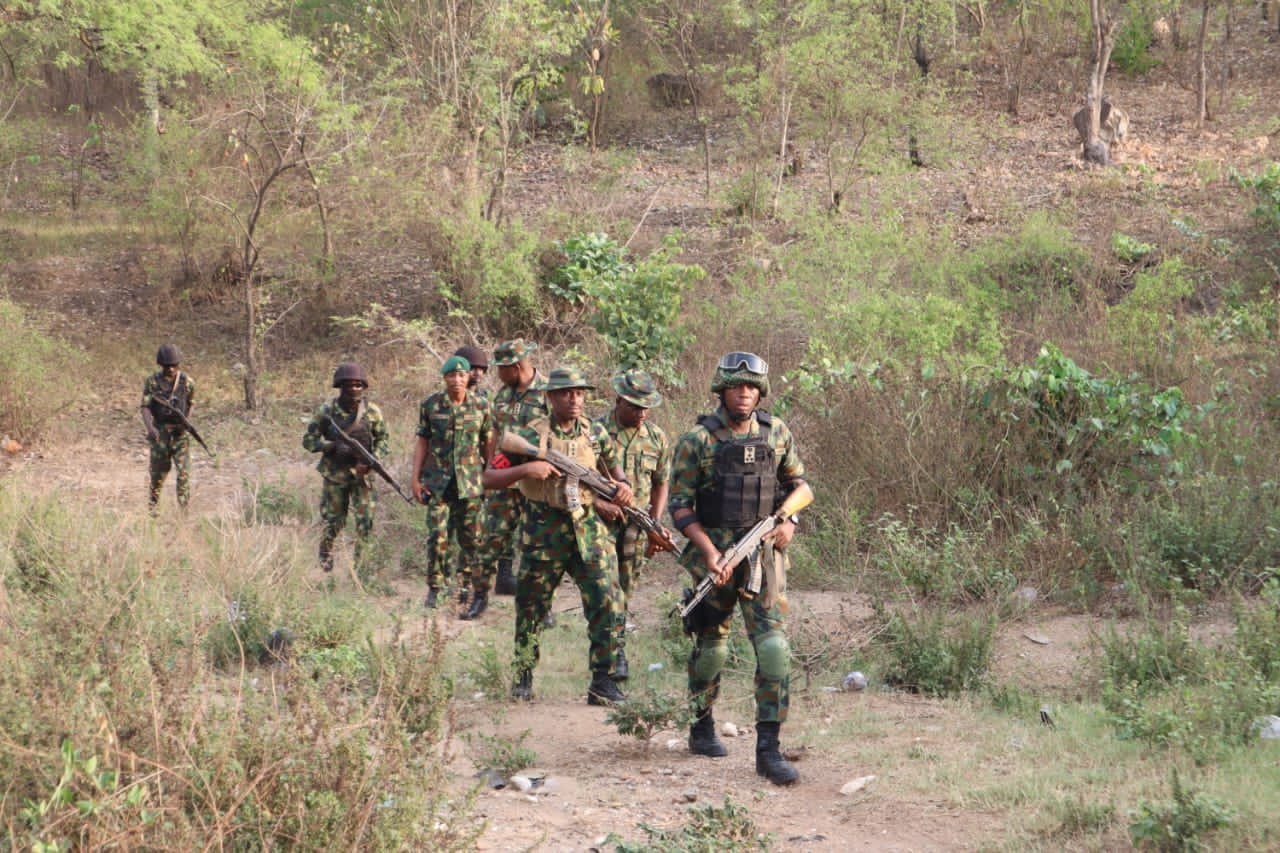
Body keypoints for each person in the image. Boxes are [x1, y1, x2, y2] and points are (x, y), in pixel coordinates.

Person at [667, 352, 807, 786]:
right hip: (717, 563)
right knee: (713, 649)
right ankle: (700, 722)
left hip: (762, 561)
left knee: (774, 649)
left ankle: (769, 750)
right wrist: (709, 551)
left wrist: (788, 521)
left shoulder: (776, 432)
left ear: (759, 392)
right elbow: (680, 506)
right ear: (721, 390)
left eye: (751, 387)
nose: (744, 393)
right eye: (736, 386)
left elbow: (799, 485)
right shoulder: (697, 441)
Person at [482, 367, 634, 706]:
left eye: (579, 393)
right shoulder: (527, 434)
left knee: (607, 600)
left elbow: (615, 469)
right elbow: (489, 476)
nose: (574, 399)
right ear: (550, 396)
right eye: (566, 393)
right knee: (531, 607)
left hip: (589, 528)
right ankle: (523, 675)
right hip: (543, 529)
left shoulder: (596, 433)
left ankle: (603, 681)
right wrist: (526, 469)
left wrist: (622, 488)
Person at [593, 369, 672, 682]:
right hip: (598, 522)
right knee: (603, 587)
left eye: (646, 407)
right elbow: (576, 477)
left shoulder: (656, 438)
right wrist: (600, 504)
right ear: (618, 400)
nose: (641, 412)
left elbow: (661, 483)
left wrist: (655, 521)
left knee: (624, 589)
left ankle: (617, 648)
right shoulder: (594, 431)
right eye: (635, 406)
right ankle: (606, 655)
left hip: (636, 526)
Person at [411, 355, 495, 615]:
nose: (456, 380)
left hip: (470, 482)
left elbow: (489, 442)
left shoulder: (481, 405)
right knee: (437, 536)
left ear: (469, 376)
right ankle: (436, 587)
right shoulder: (431, 405)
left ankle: (465, 585)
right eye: (451, 375)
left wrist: (490, 474)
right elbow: (422, 442)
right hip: (437, 482)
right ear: (444, 378)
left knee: (471, 539)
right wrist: (415, 479)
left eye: (461, 375)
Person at [302, 362, 390, 584]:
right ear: (339, 387)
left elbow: (383, 441)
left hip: (363, 477)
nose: (354, 390)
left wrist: (372, 461)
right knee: (333, 521)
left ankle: (361, 569)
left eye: (358, 385)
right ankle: (325, 555)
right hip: (335, 475)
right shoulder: (327, 412)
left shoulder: (372, 412)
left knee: (365, 522)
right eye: (348, 385)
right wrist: (330, 447)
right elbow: (309, 441)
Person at [482, 339, 549, 601]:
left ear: (516, 366)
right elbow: (495, 432)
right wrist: (491, 464)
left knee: (537, 540)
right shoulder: (503, 394)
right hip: (506, 477)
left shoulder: (548, 392)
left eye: (501, 368)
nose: (498, 374)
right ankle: (489, 589)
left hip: (537, 478)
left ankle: (541, 602)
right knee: (495, 533)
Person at [140, 343, 196, 513]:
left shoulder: (187, 382)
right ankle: (153, 509)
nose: (170, 369)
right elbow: (145, 406)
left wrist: (186, 421)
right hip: (160, 434)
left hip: (180, 434)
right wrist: (150, 428)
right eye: (167, 366)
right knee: (157, 475)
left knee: (183, 474)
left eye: (174, 365)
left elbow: (191, 403)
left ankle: (184, 513)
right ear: (161, 365)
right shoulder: (152, 382)